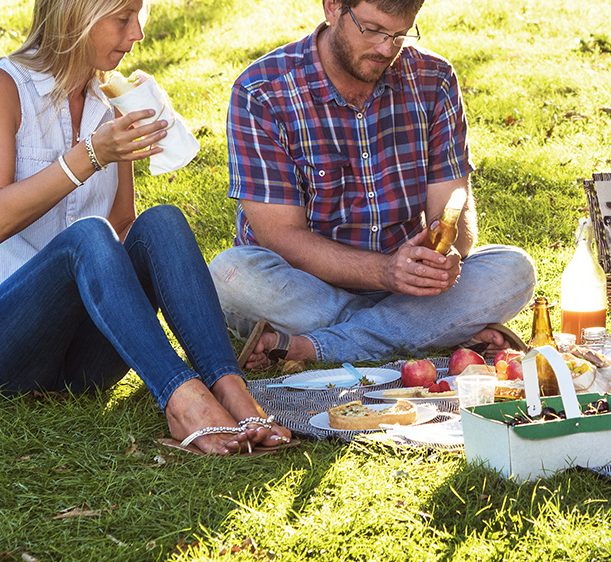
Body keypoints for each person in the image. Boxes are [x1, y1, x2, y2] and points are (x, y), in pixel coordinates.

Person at [0, 0, 292, 455]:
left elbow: (123, 228)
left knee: (162, 222)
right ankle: (182, 400)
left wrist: (147, 129)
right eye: (122, 18)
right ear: (76, 13)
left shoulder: (111, 104)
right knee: (87, 237)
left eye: (139, 15)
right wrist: (92, 154)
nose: (137, 34)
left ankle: (230, 387)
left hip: (78, 366)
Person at [210, 0, 536, 369]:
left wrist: (442, 257)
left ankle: (312, 346)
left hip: (411, 285)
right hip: (306, 285)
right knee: (230, 275)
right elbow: (281, 236)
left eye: (399, 35)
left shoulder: (435, 78)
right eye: (373, 30)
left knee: (513, 270)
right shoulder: (261, 91)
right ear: (333, 8)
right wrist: (385, 272)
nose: (385, 48)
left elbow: (452, 207)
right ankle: (432, 330)